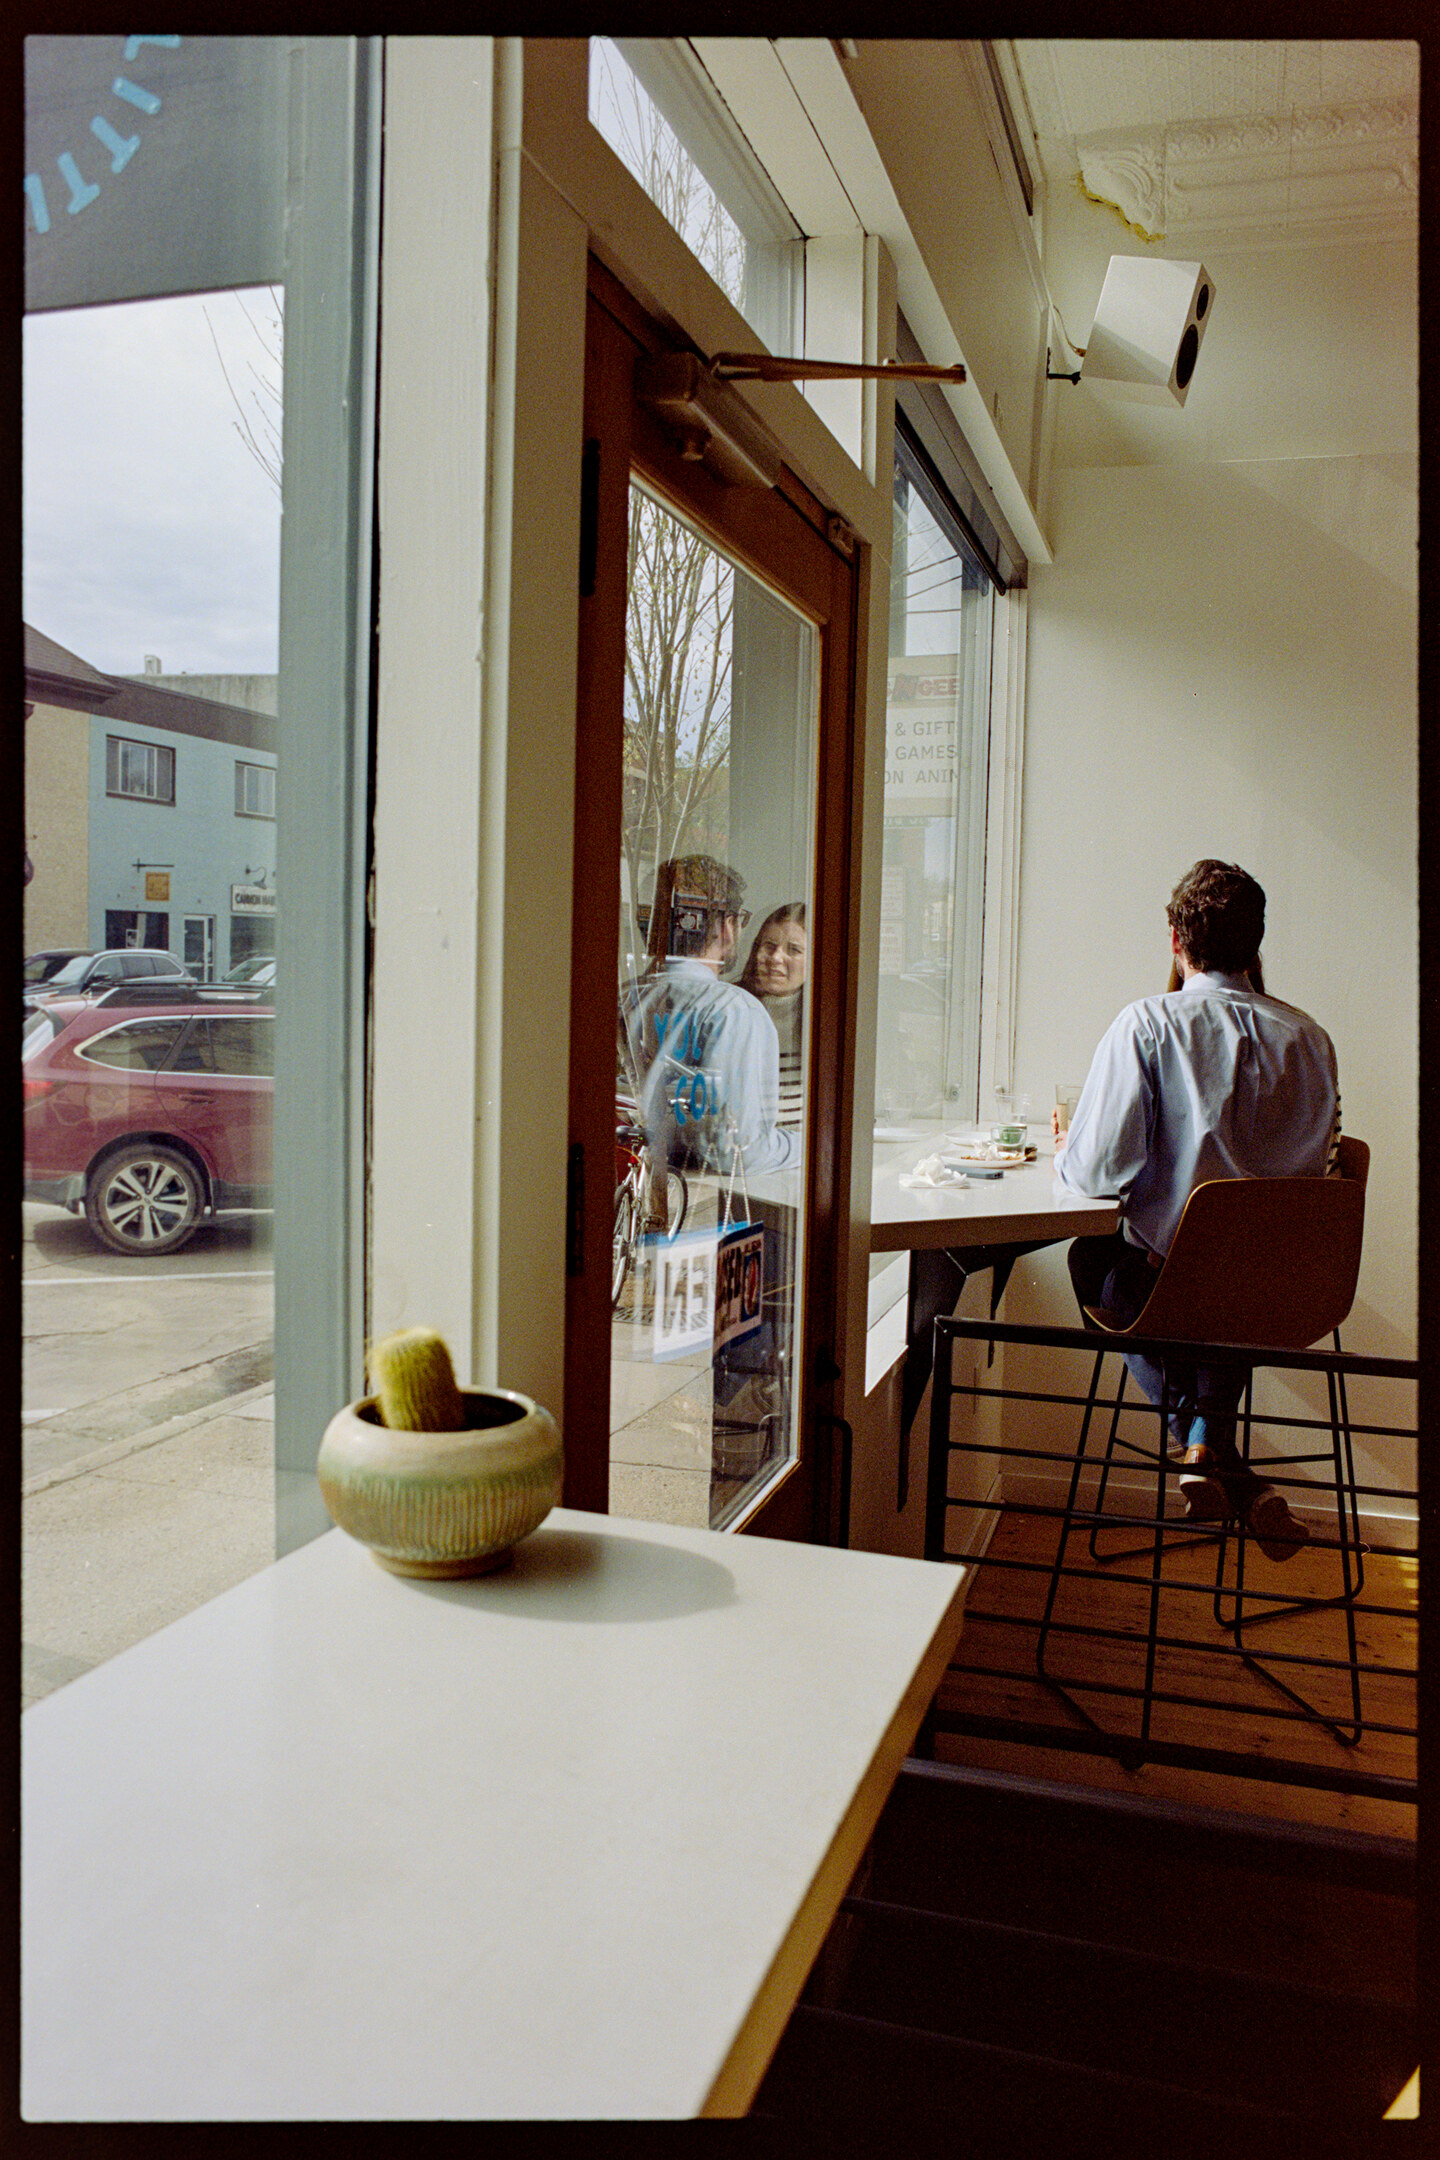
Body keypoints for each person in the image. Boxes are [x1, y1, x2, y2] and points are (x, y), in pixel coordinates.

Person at [1054, 859, 1341, 1559]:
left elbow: (1098, 1170)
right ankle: (1225, 1462)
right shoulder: (1311, 1038)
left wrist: (1069, 1143)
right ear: (1257, 944)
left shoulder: (1149, 1023)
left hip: (1176, 1287)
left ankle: (1197, 1440)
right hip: (1283, 1292)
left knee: (1095, 1259)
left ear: (1176, 941)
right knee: (1228, 1291)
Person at [621, 855, 799, 1178]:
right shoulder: (735, 1012)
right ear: (726, 927)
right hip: (698, 1208)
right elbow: (741, 1153)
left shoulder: (622, 999)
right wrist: (808, 1145)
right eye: (739, 920)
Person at [737, 903, 807, 1131]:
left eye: (794, 950)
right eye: (769, 946)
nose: (776, 958)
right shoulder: (730, 1007)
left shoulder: (823, 1018)